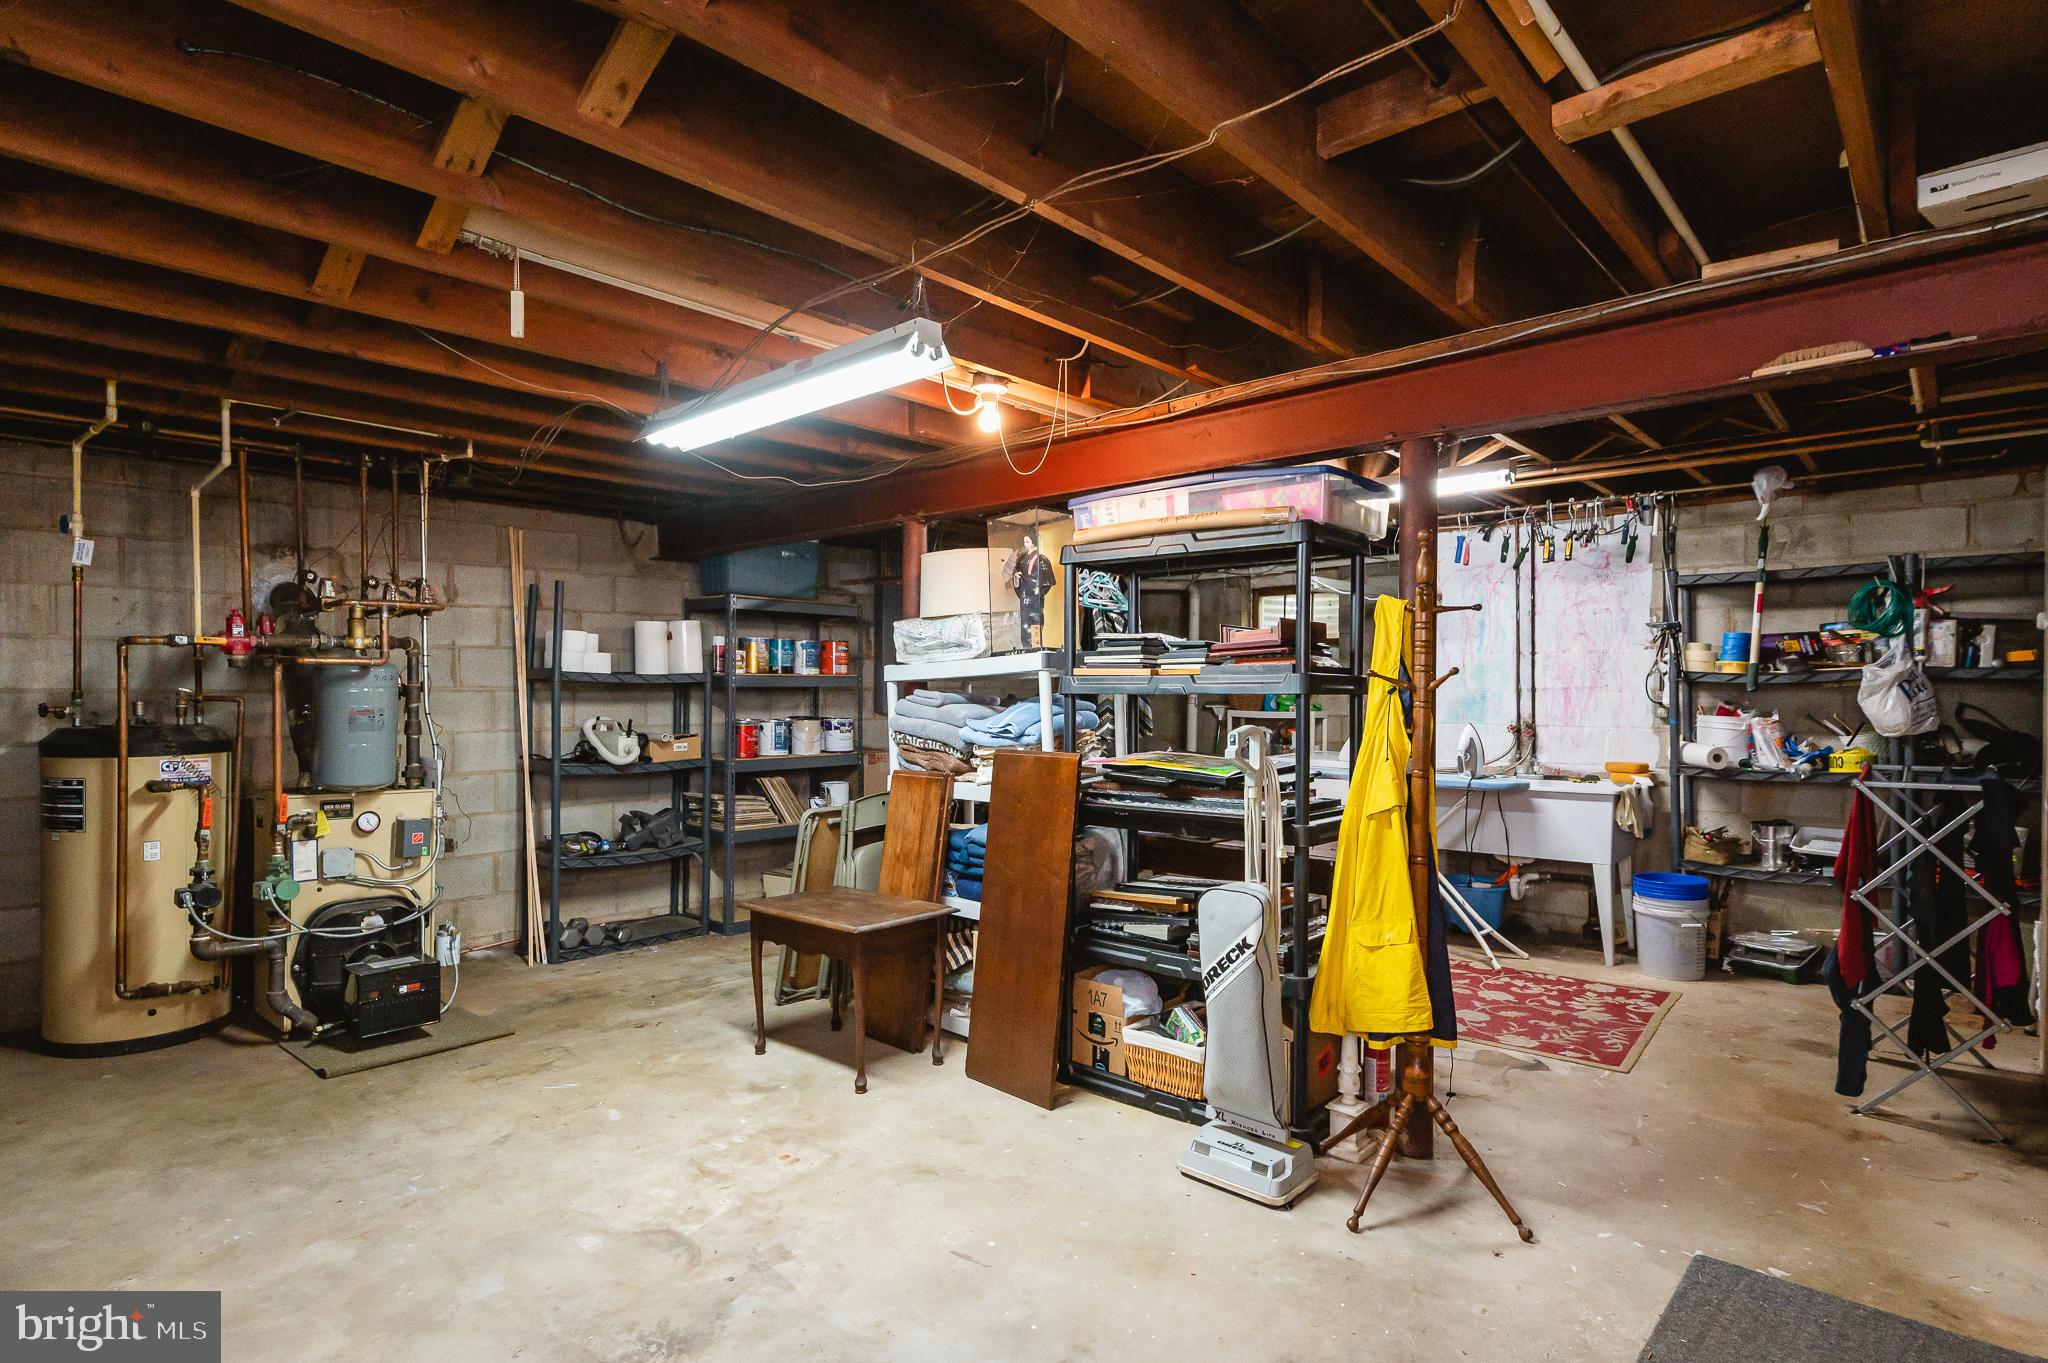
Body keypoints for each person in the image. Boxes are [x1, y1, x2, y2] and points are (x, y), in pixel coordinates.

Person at [1004, 531, 1056, 649]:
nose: (1025, 544)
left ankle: (1036, 645)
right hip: (1025, 594)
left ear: (1034, 542)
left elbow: (1047, 581)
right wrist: (1016, 576)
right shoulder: (1022, 559)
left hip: (1035, 594)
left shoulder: (1041, 559)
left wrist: (1039, 590)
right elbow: (1016, 573)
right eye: (1024, 542)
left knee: (1036, 618)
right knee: (1025, 620)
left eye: (1027, 541)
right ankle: (1027, 646)